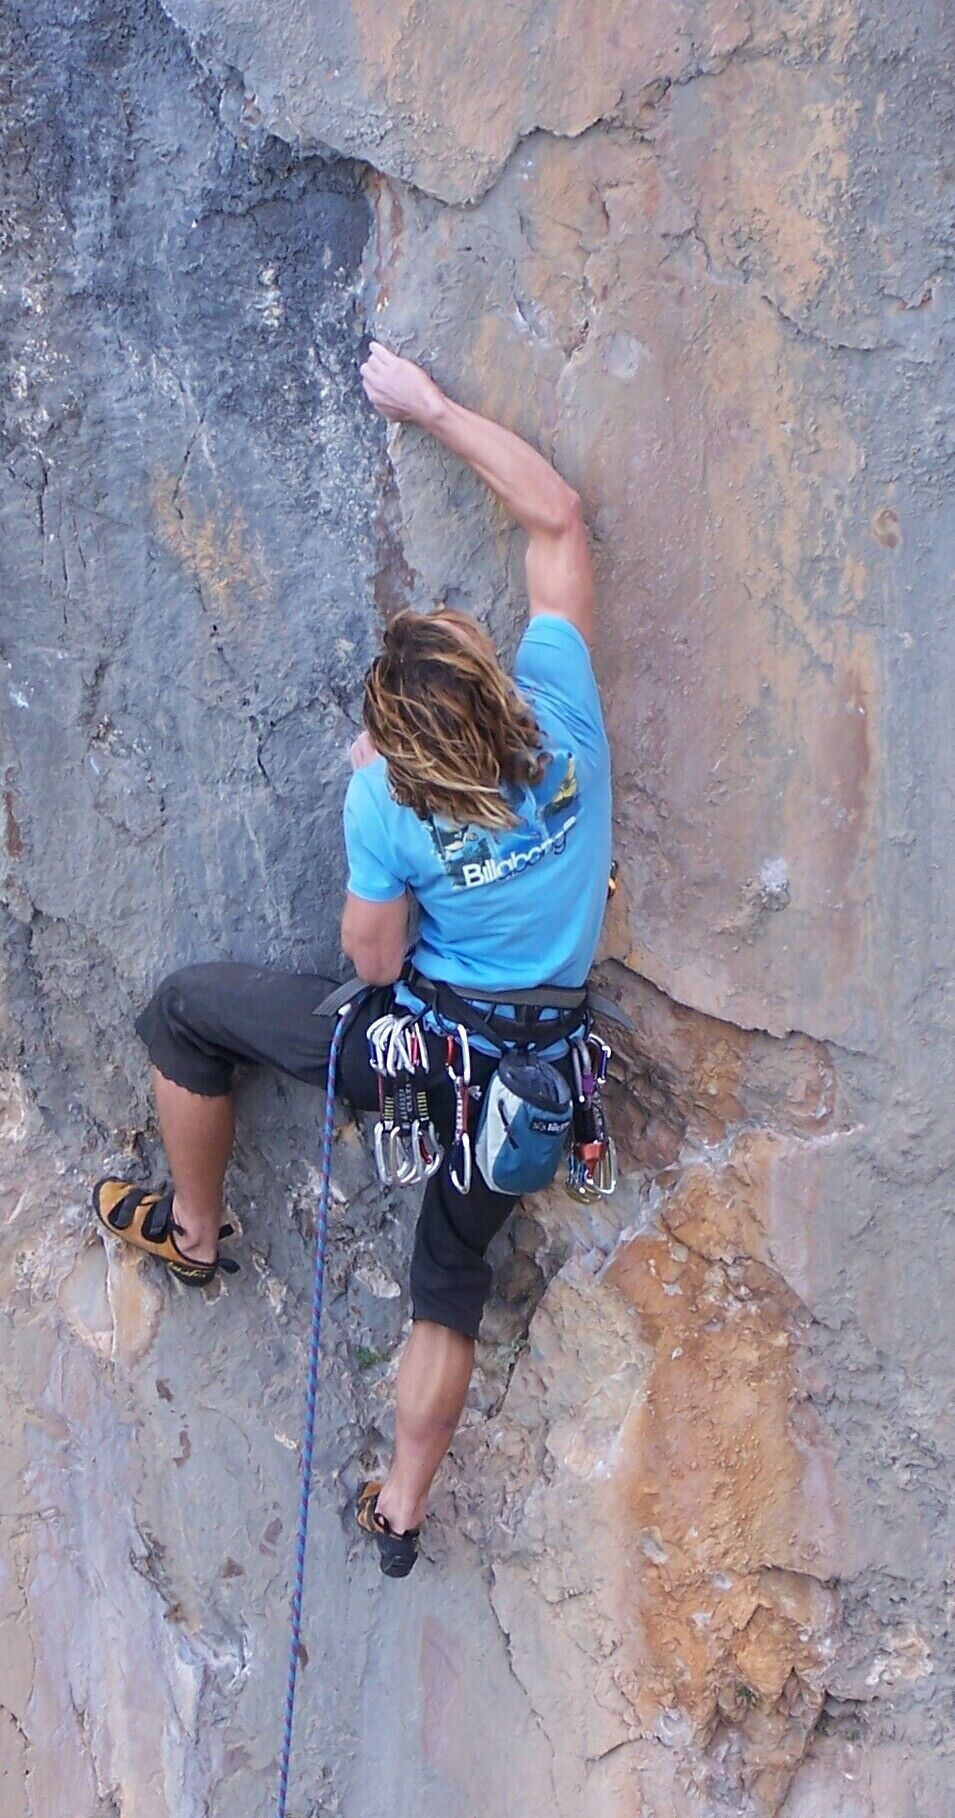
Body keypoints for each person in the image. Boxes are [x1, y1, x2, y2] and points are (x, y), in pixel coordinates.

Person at [95, 342, 609, 1579]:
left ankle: (195, 1232)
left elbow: (370, 966)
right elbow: (555, 516)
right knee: (449, 1276)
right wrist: (432, 406)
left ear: (406, 752)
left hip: (418, 1056)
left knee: (184, 1014)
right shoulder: (564, 717)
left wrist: (377, 799)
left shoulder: (386, 807)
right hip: (537, 1085)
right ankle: (400, 1508)